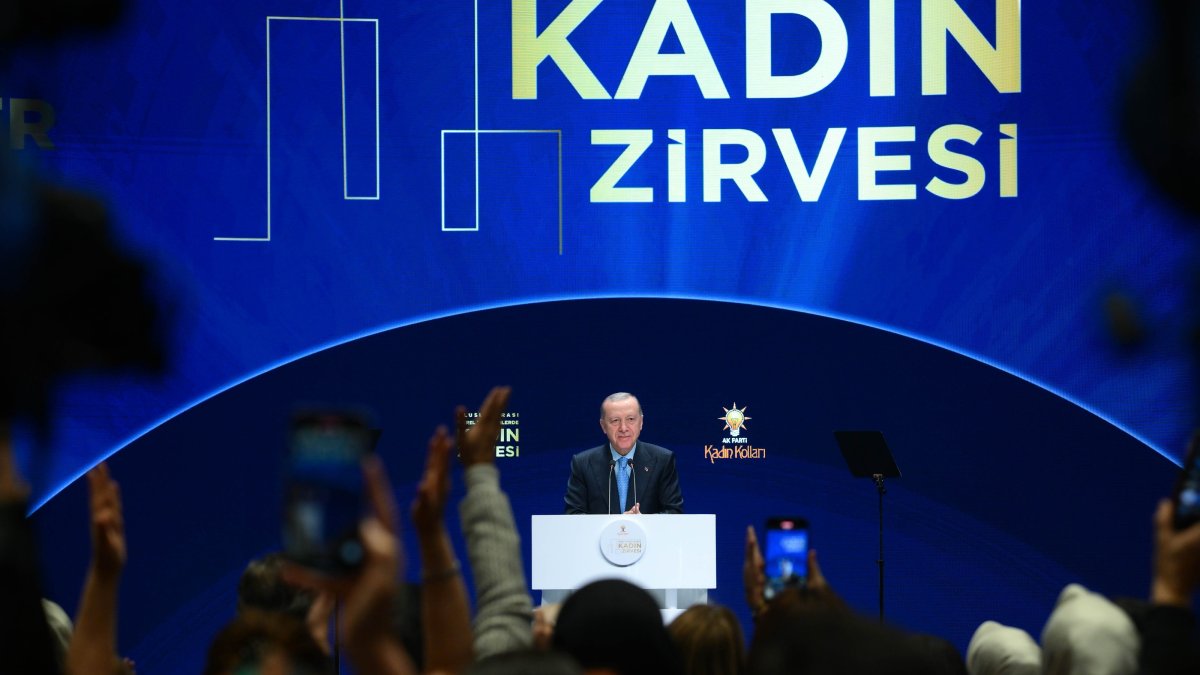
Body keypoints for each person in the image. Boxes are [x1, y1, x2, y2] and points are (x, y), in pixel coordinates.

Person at [563, 392, 683, 514]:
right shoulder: (583, 464)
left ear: (641, 422)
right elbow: (573, 515)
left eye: (630, 419)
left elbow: (674, 512)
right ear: (603, 426)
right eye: (615, 420)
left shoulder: (662, 460)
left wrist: (644, 523)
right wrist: (614, 527)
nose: (623, 428)